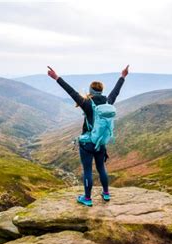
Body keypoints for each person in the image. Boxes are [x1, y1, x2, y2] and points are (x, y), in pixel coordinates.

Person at [47, 65, 129, 206]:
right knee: (101, 168)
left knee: (87, 171)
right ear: (102, 91)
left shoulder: (86, 103)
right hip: (101, 142)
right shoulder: (108, 102)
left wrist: (56, 77)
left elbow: (71, 91)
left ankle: (87, 198)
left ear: (91, 91)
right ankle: (106, 194)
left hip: (87, 142)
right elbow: (116, 91)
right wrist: (123, 76)